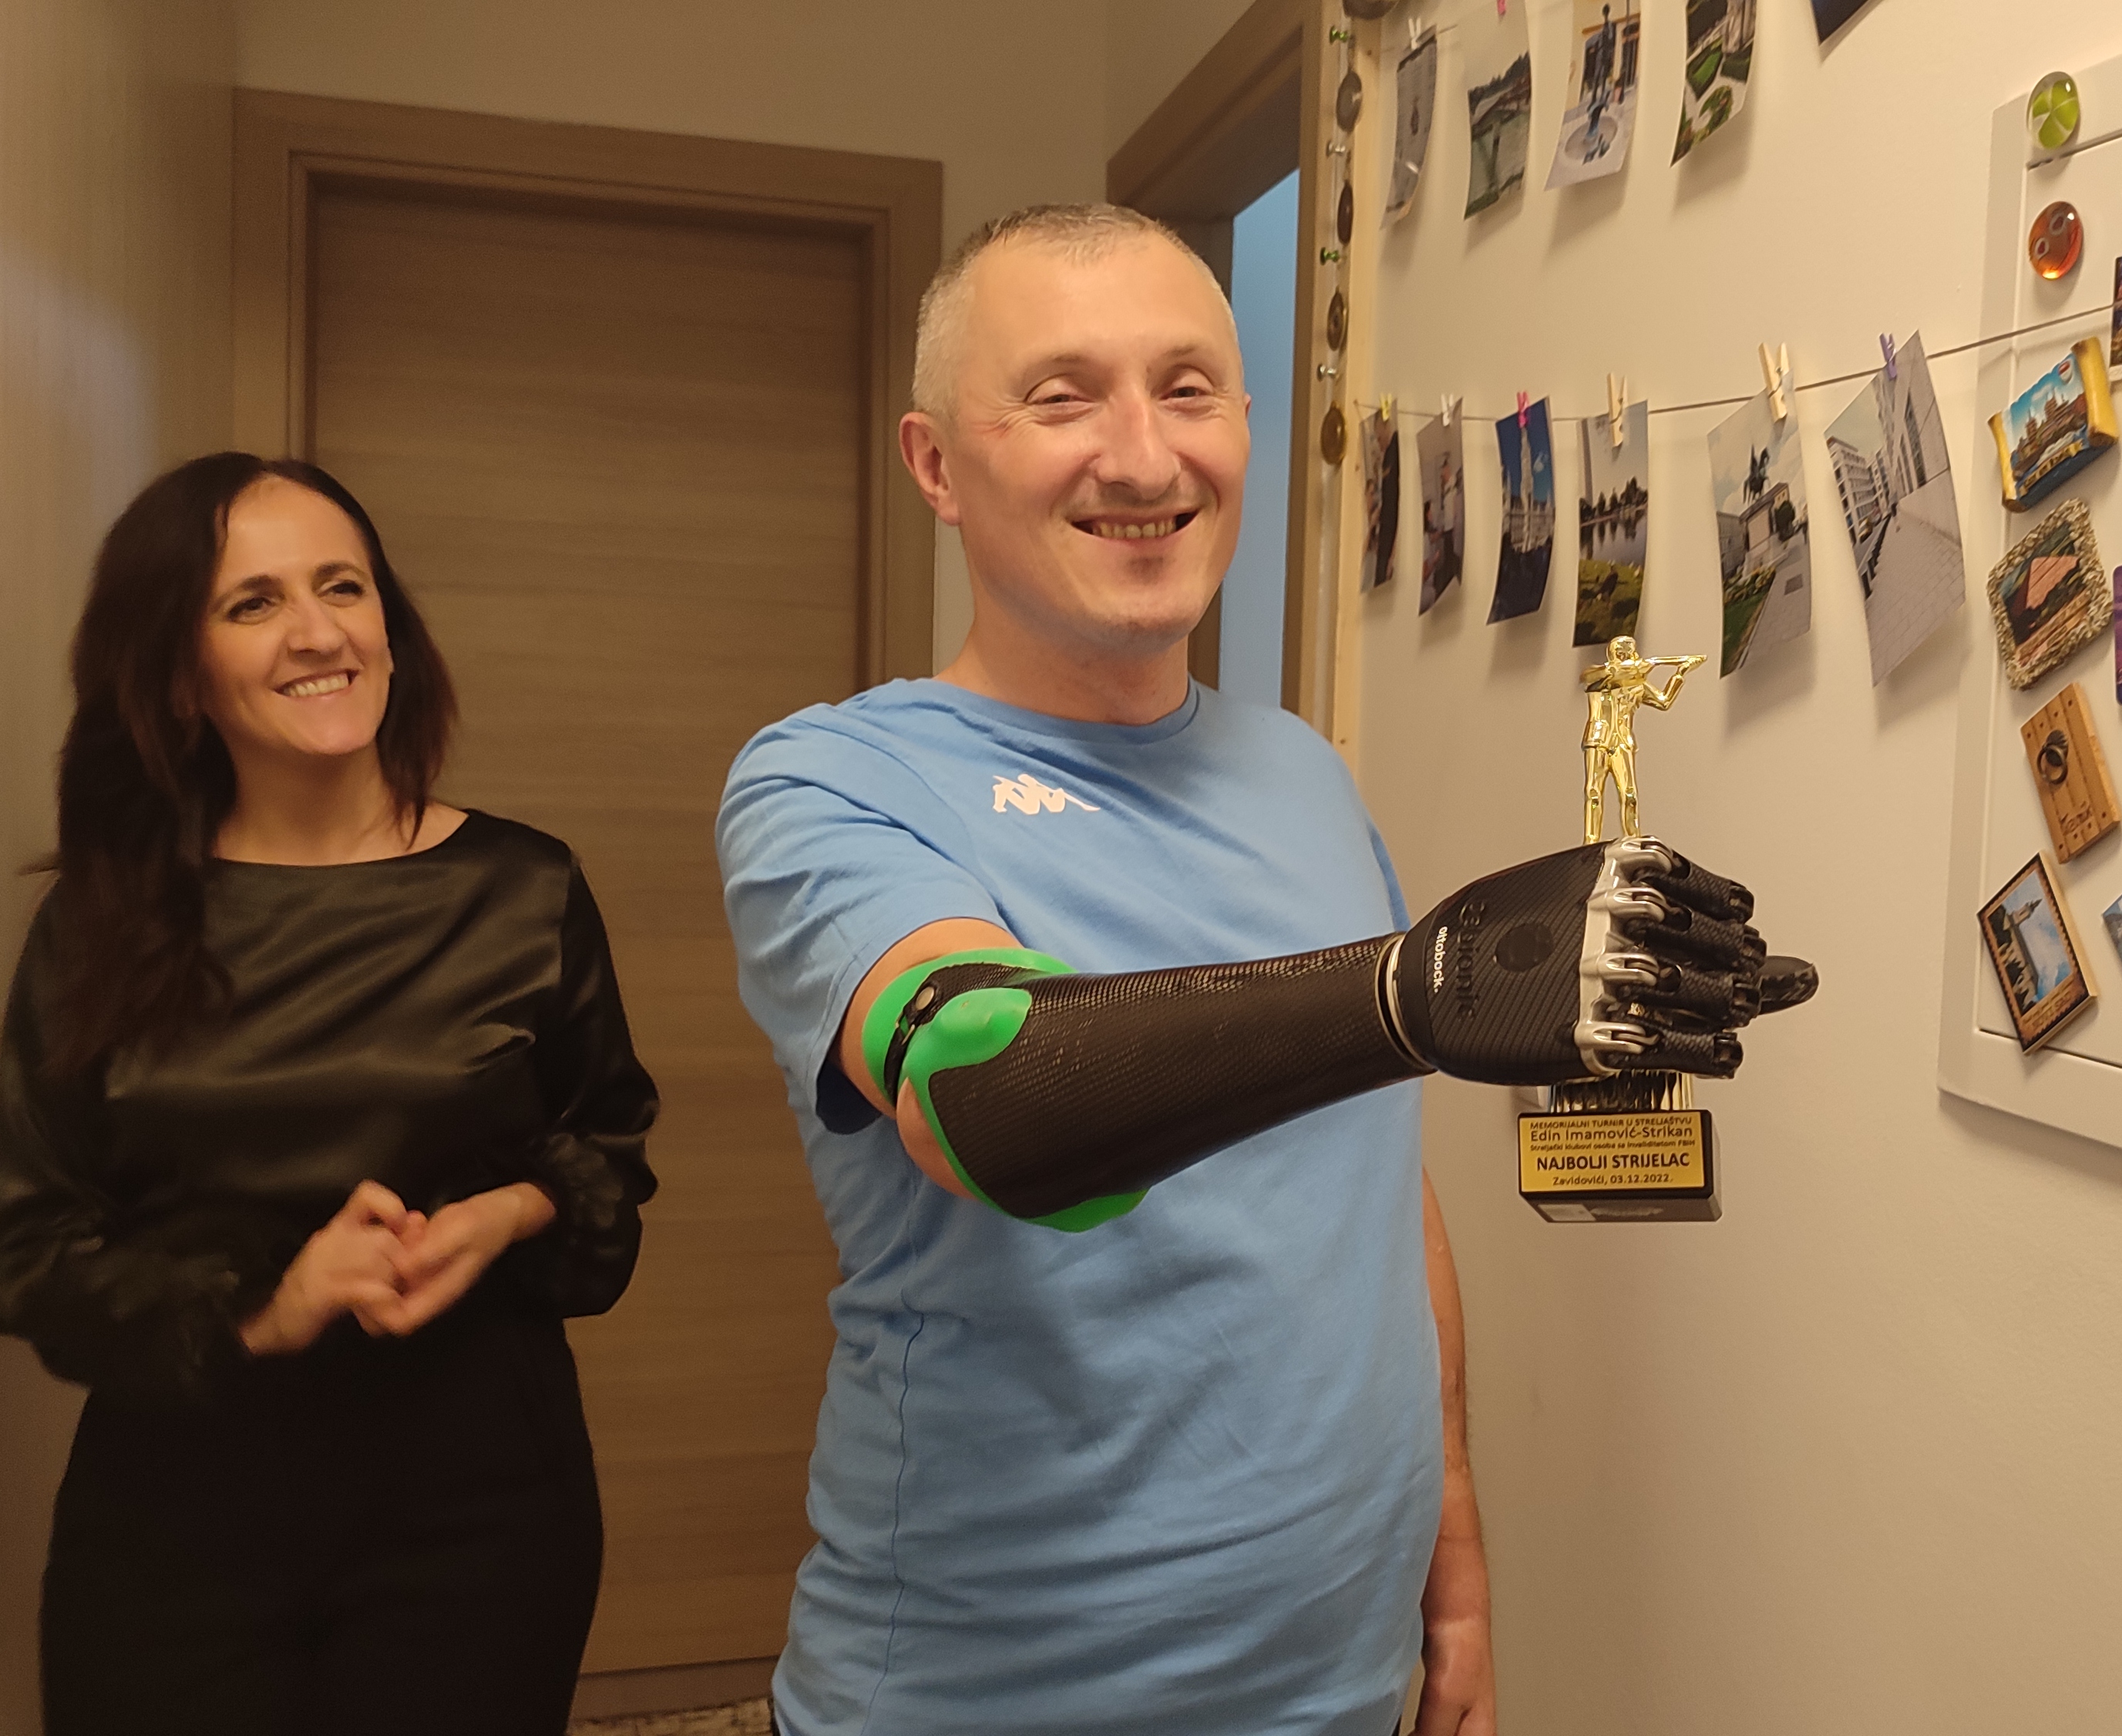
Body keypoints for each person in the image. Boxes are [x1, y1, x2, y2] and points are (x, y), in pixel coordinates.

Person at [717, 204, 1809, 1736]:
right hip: (987, 1697)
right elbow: (986, 1094)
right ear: (935, 466)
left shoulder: (1300, 770)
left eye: (1185, 389)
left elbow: (1373, 1191)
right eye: (1060, 396)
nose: (1143, 456)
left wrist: (1454, 1566)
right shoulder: (833, 781)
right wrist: (1404, 994)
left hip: (1332, 1687)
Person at [0, 453, 660, 1736]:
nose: (317, 632)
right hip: (174, 1526)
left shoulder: (525, 890)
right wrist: (268, 1308)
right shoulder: (102, 922)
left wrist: (507, 1213)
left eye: (343, 586)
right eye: (253, 603)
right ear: (179, 677)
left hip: (481, 1515)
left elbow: (608, 1161)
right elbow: (32, 1248)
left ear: (390, 627)